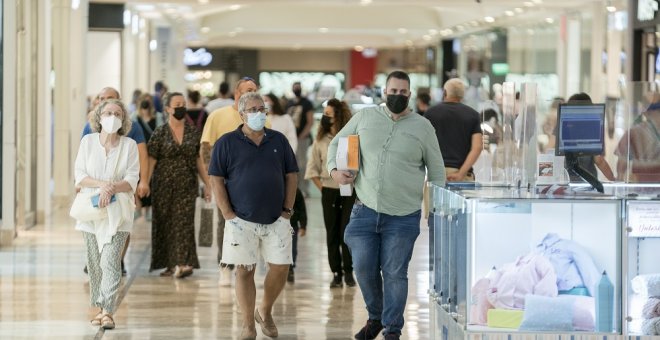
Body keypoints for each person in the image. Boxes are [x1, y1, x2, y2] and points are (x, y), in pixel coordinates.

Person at [327, 70, 445, 340]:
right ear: (384, 92)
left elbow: (436, 172)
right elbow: (335, 146)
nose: (397, 96)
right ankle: (375, 317)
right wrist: (335, 171)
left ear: (410, 94)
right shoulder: (365, 118)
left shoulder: (423, 127)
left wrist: (437, 209)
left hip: (403, 216)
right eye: (393, 92)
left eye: (403, 93)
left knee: (394, 273)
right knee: (363, 268)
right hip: (364, 209)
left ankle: (392, 329)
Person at [208, 92, 298, 340]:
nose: (259, 113)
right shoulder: (227, 142)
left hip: (276, 218)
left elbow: (291, 175)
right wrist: (227, 213)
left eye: (262, 109)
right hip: (240, 219)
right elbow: (215, 178)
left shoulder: (278, 140)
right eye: (253, 109)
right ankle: (248, 325)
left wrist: (287, 210)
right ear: (242, 114)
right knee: (244, 270)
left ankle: (265, 311)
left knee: (281, 267)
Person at [74, 99, 140, 330]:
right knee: (95, 263)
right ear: (99, 117)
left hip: (118, 212)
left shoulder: (129, 145)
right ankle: (99, 307)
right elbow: (80, 176)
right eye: (108, 113)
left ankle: (107, 311)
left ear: (123, 120)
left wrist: (111, 188)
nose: (112, 117)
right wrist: (103, 185)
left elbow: (132, 179)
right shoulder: (88, 142)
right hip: (91, 211)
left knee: (111, 260)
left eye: (118, 113)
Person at [200, 77, 262, 286]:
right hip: (225, 180)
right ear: (236, 94)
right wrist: (211, 178)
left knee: (251, 223)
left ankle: (245, 266)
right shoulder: (218, 116)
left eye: (254, 90)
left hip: (252, 181)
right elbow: (206, 147)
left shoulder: (261, 117)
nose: (250, 93)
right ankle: (225, 264)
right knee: (225, 221)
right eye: (246, 91)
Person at [82, 87, 150, 276]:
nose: (104, 101)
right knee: (96, 224)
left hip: (122, 187)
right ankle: (96, 260)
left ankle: (117, 260)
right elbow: (82, 160)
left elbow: (142, 153)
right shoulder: (89, 127)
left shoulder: (132, 127)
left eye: (109, 98)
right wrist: (80, 185)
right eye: (101, 98)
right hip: (95, 187)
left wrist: (143, 181)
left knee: (121, 224)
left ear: (119, 101)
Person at [146, 92, 211, 278]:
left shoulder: (193, 132)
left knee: (184, 222)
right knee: (164, 222)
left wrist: (207, 184)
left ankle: (183, 263)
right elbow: (151, 159)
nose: (181, 107)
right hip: (163, 185)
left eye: (183, 103)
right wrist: (145, 182)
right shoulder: (160, 132)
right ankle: (169, 264)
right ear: (167, 109)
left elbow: (199, 160)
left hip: (187, 184)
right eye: (177, 104)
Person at [305, 98, 356, 288]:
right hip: (328, 191)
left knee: (347, 233)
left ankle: (349, 271)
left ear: (339, 116)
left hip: (350, 192)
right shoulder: (320, 141)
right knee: (332, 233)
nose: (325, 118)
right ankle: (336, 272)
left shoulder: (351, 139)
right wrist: (324, 189)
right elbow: (312, 170)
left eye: (328, 114)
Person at [264, 92, 303, 282]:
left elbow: (292, 141)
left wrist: (287, 162)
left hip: (283, 169)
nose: (266, 105)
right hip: (265, 174)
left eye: (268, 101)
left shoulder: (285, 119)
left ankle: (288, 264)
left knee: (286, 223)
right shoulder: (260, 120)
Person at [424, 78, 483, 182]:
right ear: (462, 95)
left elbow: (422, 144)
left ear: (445, 92)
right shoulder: (473, 115)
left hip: (436, 174)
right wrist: (461, 173)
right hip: (463, 175)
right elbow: (477, 147)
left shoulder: (430, 113)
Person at [563, 93, 615, 182]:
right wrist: (614, 180)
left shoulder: (564, 128)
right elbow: (599, 161)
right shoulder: (591, 130)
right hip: (588, 184)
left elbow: (551, 153)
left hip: (565, 183)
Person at [132, 93, 165, 221]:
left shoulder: (158, 117)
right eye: (143, 100)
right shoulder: (134, 117)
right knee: (139, 179)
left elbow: (161, 132)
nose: (146, 103)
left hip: (154, 154)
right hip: (138, 154)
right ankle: (138, 206)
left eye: (148, 100)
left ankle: (150, 208)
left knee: (152, 180)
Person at [616, 99, 660, 182]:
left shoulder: (633, 131)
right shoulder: (633, 132)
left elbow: (621, 165)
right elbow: (621, 164)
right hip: (641, 186)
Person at [286, 81, 315, 197]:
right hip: (290, 139)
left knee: (302, 164)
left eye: (298, 87)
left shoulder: (307, 103)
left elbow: (310, 122)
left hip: (302, 138)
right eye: (294, 87)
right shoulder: (289, 103)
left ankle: (304, 189)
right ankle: (294, 189)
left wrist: (301, 136)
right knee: (292, 164)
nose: (296, 89)